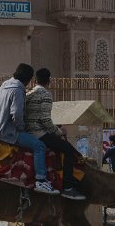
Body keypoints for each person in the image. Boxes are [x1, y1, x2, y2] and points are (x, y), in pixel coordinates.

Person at [0, 63, 56, 195]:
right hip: (6, 132)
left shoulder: (5, 84)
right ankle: (41, 180)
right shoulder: (18, 90)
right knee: (39, 146)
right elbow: (17, 115)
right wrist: (22, 129)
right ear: (29, 79)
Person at [24, 68, 86, 200]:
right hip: (38, 133)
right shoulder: (45, 94)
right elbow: (45, 120)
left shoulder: (29, 93)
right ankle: (68, 187)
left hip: (28, 132)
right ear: (49, 81)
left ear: (35, 81)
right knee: (68, 150)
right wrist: (59, 131)